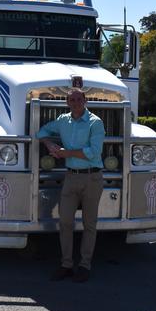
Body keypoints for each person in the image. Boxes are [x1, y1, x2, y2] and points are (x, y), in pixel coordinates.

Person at [37, 87, 105, 283]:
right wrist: (49, 144)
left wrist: (66, 153)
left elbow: (94, 152)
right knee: (65, 221)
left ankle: (84, 265)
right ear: (67, 103)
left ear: (85, 100)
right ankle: (66, 264)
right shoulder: (62, 120)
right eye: (71, 100)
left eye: (78, 99)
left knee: (89, 224)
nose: (75, 102)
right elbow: (41, 132)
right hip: (71, 177)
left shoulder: (95, 122)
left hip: (92, 177)